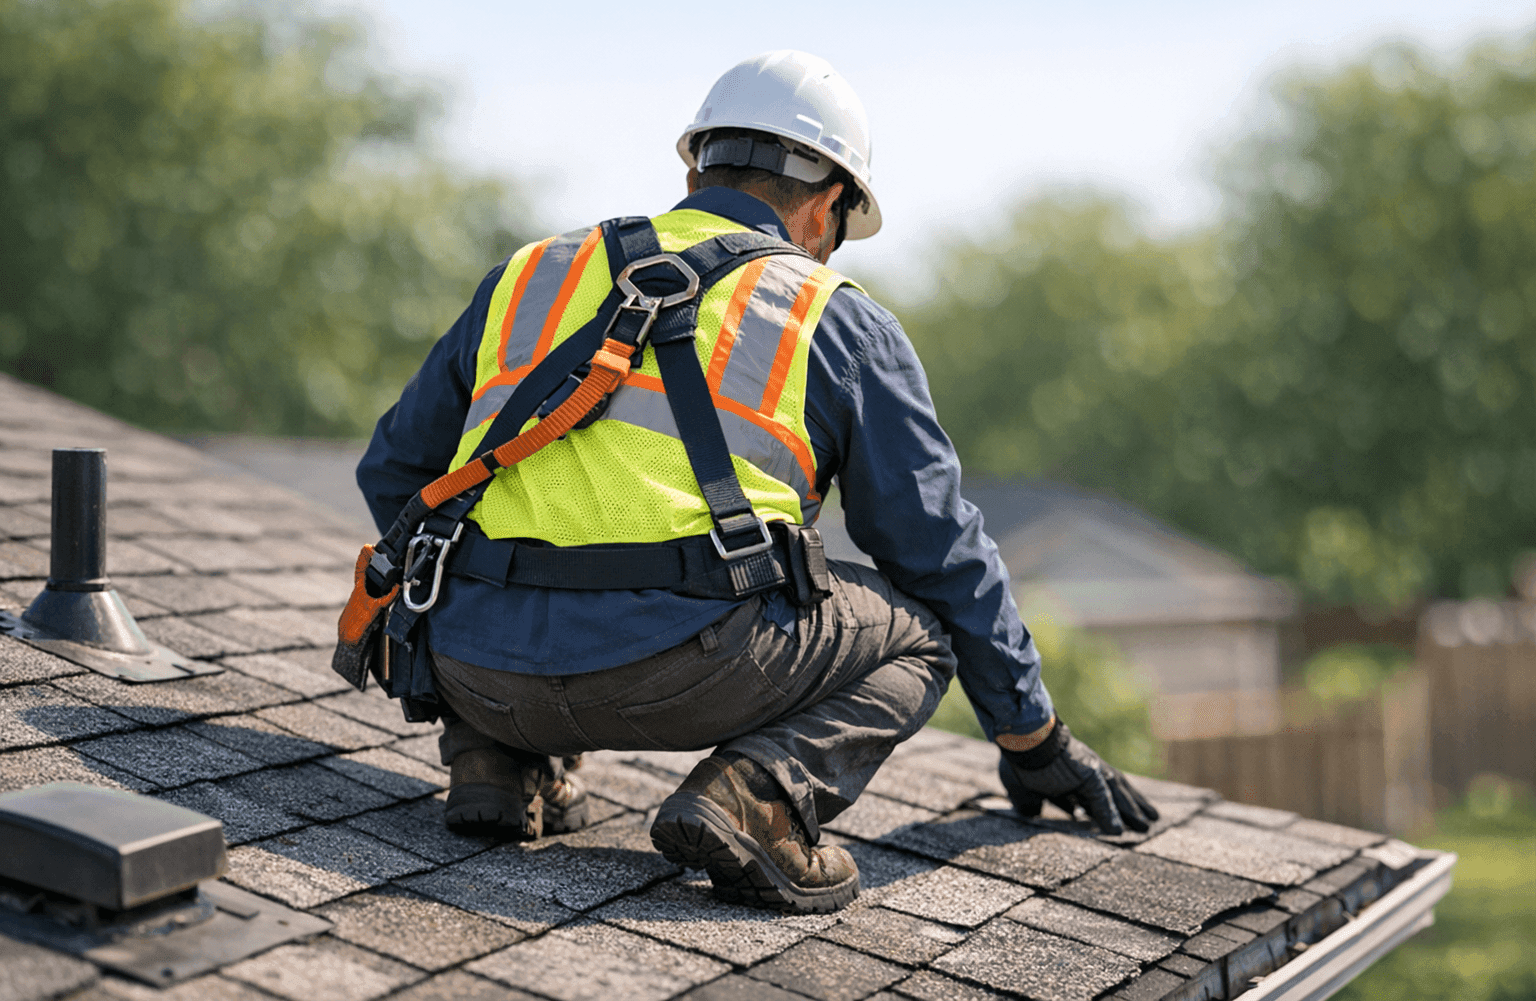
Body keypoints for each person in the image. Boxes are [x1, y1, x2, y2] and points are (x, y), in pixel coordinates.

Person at [356, 49, 1156, 915]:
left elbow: (396, 471)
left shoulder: (532, 272)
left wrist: (498, 623)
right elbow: (942, 557)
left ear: (693, 164)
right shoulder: (834, 315)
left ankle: (496, 760)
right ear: (827, 205)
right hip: (684, 677)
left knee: (477, 546)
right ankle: (756, 797)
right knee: (923, 633)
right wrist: (1030, 733)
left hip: (476, 666)